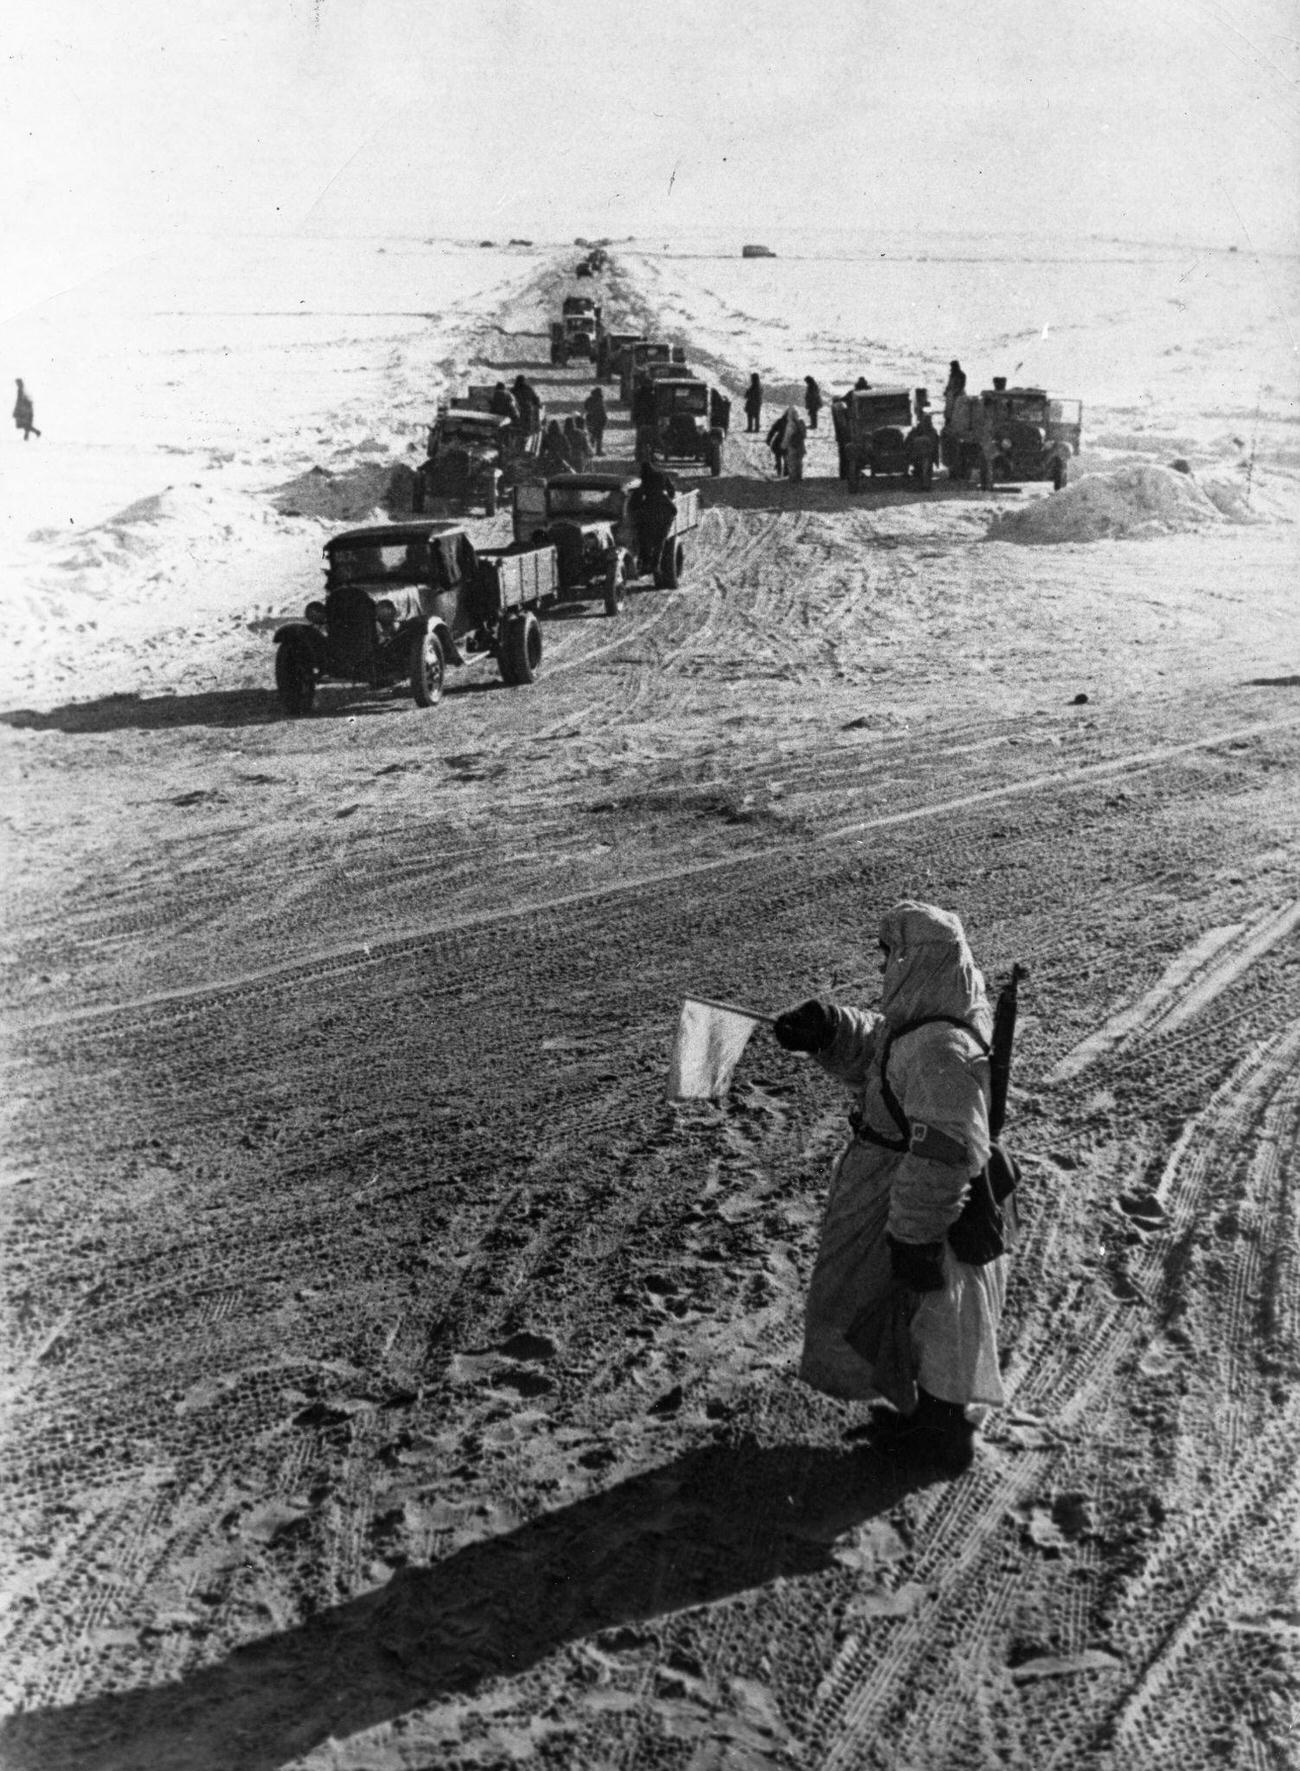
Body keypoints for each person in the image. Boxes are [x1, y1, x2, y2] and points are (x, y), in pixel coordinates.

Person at [772, 902, 1010, 1474]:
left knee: (940, 1320)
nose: (883, 966)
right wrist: (829, 1029)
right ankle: (920, 1418)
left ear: (913, 960)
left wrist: (914, 1233)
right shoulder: (927, 1028)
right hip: (910, 1201)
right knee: (911, 1315)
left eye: (889, 955)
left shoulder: (940, 1051)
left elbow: (943, 1153)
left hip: (938, 1212)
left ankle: (941, 1440)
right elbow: (883, 1051)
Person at [627, 458, 677, 576]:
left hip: (649, 510)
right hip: (665, 510)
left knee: (644, 537)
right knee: (660, 541)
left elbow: (637, 498)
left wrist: (634, 507)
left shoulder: (643, 479)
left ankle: (646, 563)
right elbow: (672, 492)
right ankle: (655, 565)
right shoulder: (661, 475)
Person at [783, 407, 807, 482]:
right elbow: (804, 434)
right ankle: (799, 476)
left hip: (792, 445)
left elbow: (788, 435)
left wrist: (784, 444)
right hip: (801, 444)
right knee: (799, 462)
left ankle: (793, 478)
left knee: (792, 461)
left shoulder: (791, 424)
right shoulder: (801, 422)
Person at [584, 384, 607, 455]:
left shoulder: (588, 400)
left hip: (590, 419)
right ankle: (598, 451)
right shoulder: (600, 401)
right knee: (599, 437)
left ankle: (590, 449)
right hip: (599, 421)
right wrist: (605, 420)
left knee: (591, 434)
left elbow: (586, 407)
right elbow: (602, 412)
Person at [765, 411, 787, 477]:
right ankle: (786, 473)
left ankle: (779, 472)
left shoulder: (780, 421)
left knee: (778, 457)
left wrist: (768, 439)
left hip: (779, 442)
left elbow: (773, 430)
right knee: (786, 458)